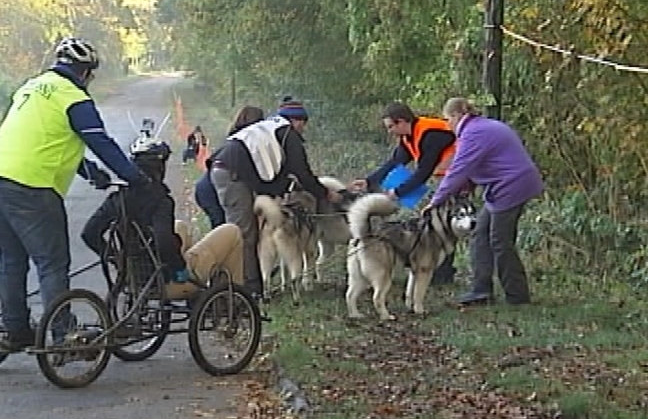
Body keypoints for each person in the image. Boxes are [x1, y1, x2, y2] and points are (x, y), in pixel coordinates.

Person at [0, 37, 151, 351]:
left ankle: (15, 331)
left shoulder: (31, 88)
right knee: (52, 263)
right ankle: (63, 335)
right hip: (32, 185)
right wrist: (133, 176)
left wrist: (88, 171)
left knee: (12, 259)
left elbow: (47, 140)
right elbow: (101, 142)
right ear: (85, 73)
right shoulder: (74, 97)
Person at [81, 134, 245, 299]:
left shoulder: (117, 199)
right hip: (167, 283)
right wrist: (179, 268)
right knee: (231, 231)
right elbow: (164, 243)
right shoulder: (161, 200)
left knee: (179, 226)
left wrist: (118, 261)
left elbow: (89, 234)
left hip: (135, 280)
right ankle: (231, 300)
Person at [209, 97, 344, 296]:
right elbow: (302, 172)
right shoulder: (288, 134)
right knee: (243, 234)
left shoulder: (271, 129)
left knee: (252, 230)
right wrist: (325, 193)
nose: (303, 129)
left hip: (230, 171)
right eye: (303, 124)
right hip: (232, 176)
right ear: (297, 120)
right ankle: (245, 291)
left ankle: (251, 284)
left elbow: (276, 173)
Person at [425, 97, 543, 306]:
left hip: (513, 186)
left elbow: (458, 170)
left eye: (447, 120)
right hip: (506, 185)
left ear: (456, 115)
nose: (448, 125)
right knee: (481, 233)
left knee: (500, 241)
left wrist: (436, 201)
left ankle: (518, 297)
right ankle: (481, 291)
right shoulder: (481, 127)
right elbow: (479, 165)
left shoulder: (473, 133)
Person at [350, 101, 458, 284]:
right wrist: (369, 181)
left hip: (460, 177)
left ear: (401, 122)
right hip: (446, 178)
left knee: (445, 224)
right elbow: (394, 162)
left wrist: (397, 192)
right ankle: (437, 270)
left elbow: (423, 172)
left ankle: (443, 273)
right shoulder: (409, 136)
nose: (389, 131)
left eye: (391, 126)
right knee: (435, 222)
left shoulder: (429, 134)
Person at [194, 106, 266, 229]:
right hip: (212, 193)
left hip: (205, 189)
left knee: (224, 231)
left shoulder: (235, 137)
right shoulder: (248, 140)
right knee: (230, 233)